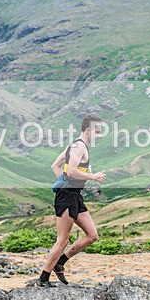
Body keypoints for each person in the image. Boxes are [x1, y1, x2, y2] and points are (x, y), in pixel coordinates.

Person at [36, 114, 106, 287]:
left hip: (74, 195)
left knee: (92, 235)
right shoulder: (78, 147)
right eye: (97, 131)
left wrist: (67, 183)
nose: (98, 135)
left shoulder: (74, 145)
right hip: (67, 196)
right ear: (88, 130)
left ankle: (60, 262)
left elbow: (55, 166)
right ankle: (43, 279)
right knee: (63, 240)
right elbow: (73, 171)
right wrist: (93, 176)